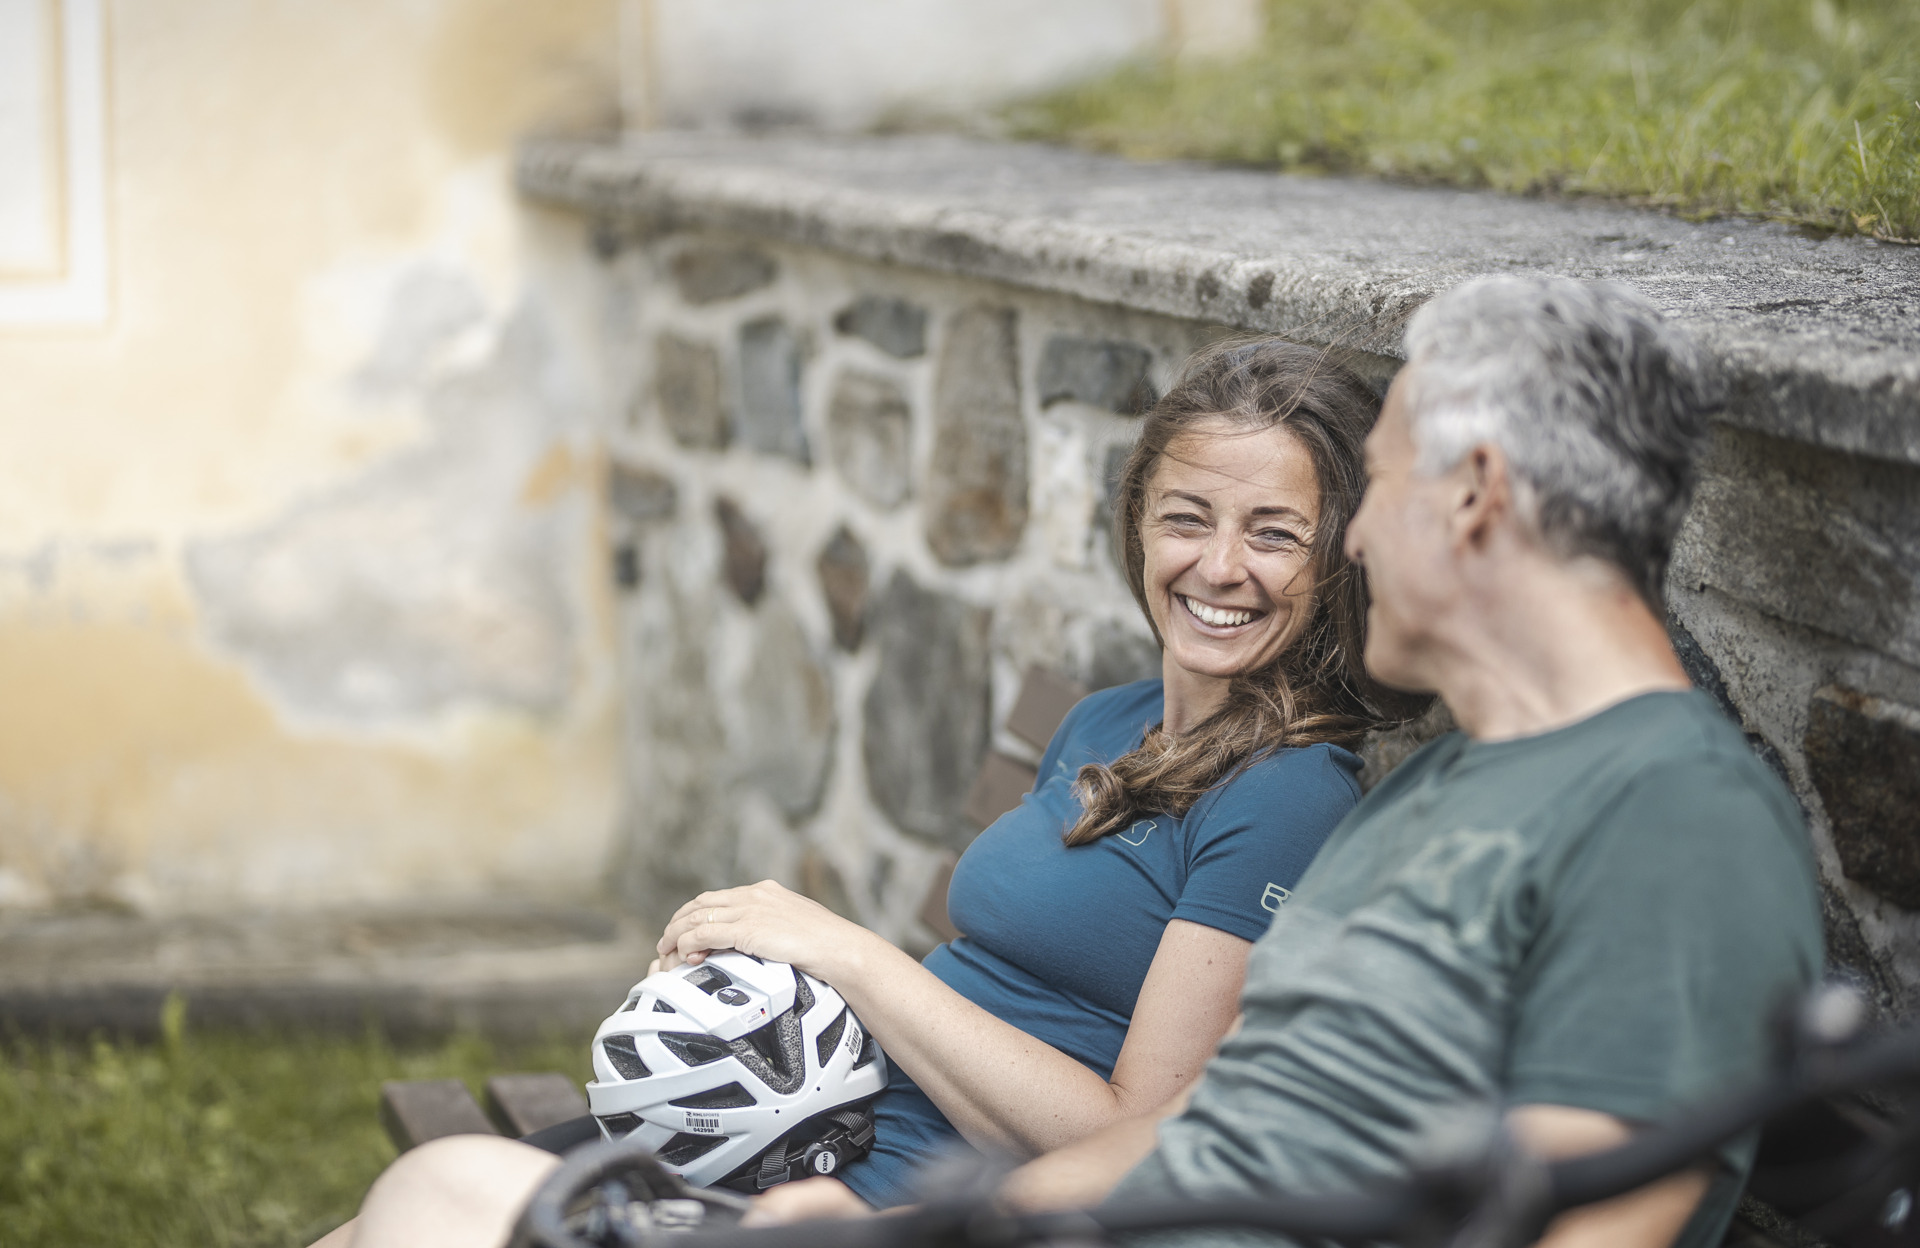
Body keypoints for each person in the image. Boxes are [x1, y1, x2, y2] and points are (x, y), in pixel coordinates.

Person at [746, 275, 1826, 1248]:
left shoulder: (1671, 810)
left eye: (1379, 488)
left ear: (1473, 493)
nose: (1350, 547)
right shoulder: (1439, 794)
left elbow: (1605, 1209)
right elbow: (1202, 1126)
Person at [330, 336, 1416, 1247]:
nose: (1221, 566)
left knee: (443, 1196)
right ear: (1137, 522)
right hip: (803, 1126)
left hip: (910, 1202)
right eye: (1188, 516)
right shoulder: (1102, 719)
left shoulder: (1287, 793)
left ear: (1336, 562)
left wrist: (845, 951)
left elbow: (1136, 1131)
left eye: (1275, 532)